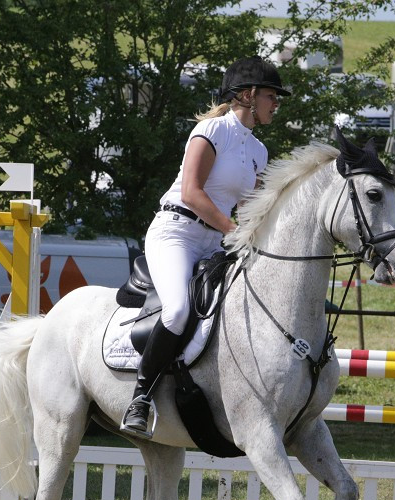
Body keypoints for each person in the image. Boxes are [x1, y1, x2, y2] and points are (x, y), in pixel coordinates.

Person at [121, 56, 289, 437]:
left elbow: (247, 209)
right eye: (270, 95)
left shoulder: (259, 152)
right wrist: (234, 230)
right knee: (178, 310)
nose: (275, 103)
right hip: (176, 231)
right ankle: (141, 397)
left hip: (215, 240)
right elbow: (193, 193)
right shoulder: (212, 130)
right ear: (247, 96)